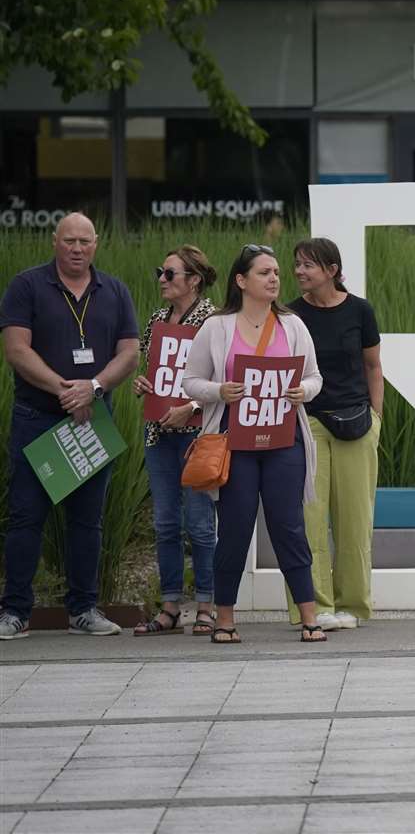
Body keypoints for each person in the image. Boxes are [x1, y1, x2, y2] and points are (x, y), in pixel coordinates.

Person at [0, 213, 139, 640]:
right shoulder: (27, 286)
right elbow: (16, 349)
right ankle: (15, 613)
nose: (77, 249)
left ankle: (83, 610)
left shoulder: (113, 290)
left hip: (91, 420)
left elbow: (130, 352)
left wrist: (93, 387)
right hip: (37, 418)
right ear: (55, 242)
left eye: (85, 241)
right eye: (69, 241)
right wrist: (64, 388)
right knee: (26, 517)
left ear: (96, 243)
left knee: (88, 520)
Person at [183, 245, 326, 645]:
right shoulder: (217, 326)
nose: (275, 279)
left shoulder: (293, 325)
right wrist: (219, 390)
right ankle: (225, 618)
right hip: (236, 443)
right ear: (241, 281)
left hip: (284, 441)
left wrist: (303, 391)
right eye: (264, 272)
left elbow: (315, 377)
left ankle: (309, 615)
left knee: (289, 527)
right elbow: (190, 381)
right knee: (234, 528)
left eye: (277, 272)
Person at [288, 238, 384, 633]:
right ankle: (314, 607)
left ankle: (353, 607)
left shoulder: (360, 310)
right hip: (307, 423)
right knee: (309, 519)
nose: (298, 272)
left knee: (355, 520)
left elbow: (373, 366)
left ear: (331, 269)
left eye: (307, 265)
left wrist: (376, 418)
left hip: (357, 423)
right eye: (296, 264)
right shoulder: (290, 316)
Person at [129, 246, 219, 637]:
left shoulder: (213, 321)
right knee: (165, 522)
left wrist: (192, 404)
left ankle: (207, 606)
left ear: (193, 279)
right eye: (161, 273)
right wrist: (143, 384)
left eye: (170, 274)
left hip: (197, 434)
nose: (162, 280)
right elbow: (154, 368)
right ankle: (169, 607)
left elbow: (225, 379)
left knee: (200, 524)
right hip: (159, 432)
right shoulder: (156, 319)